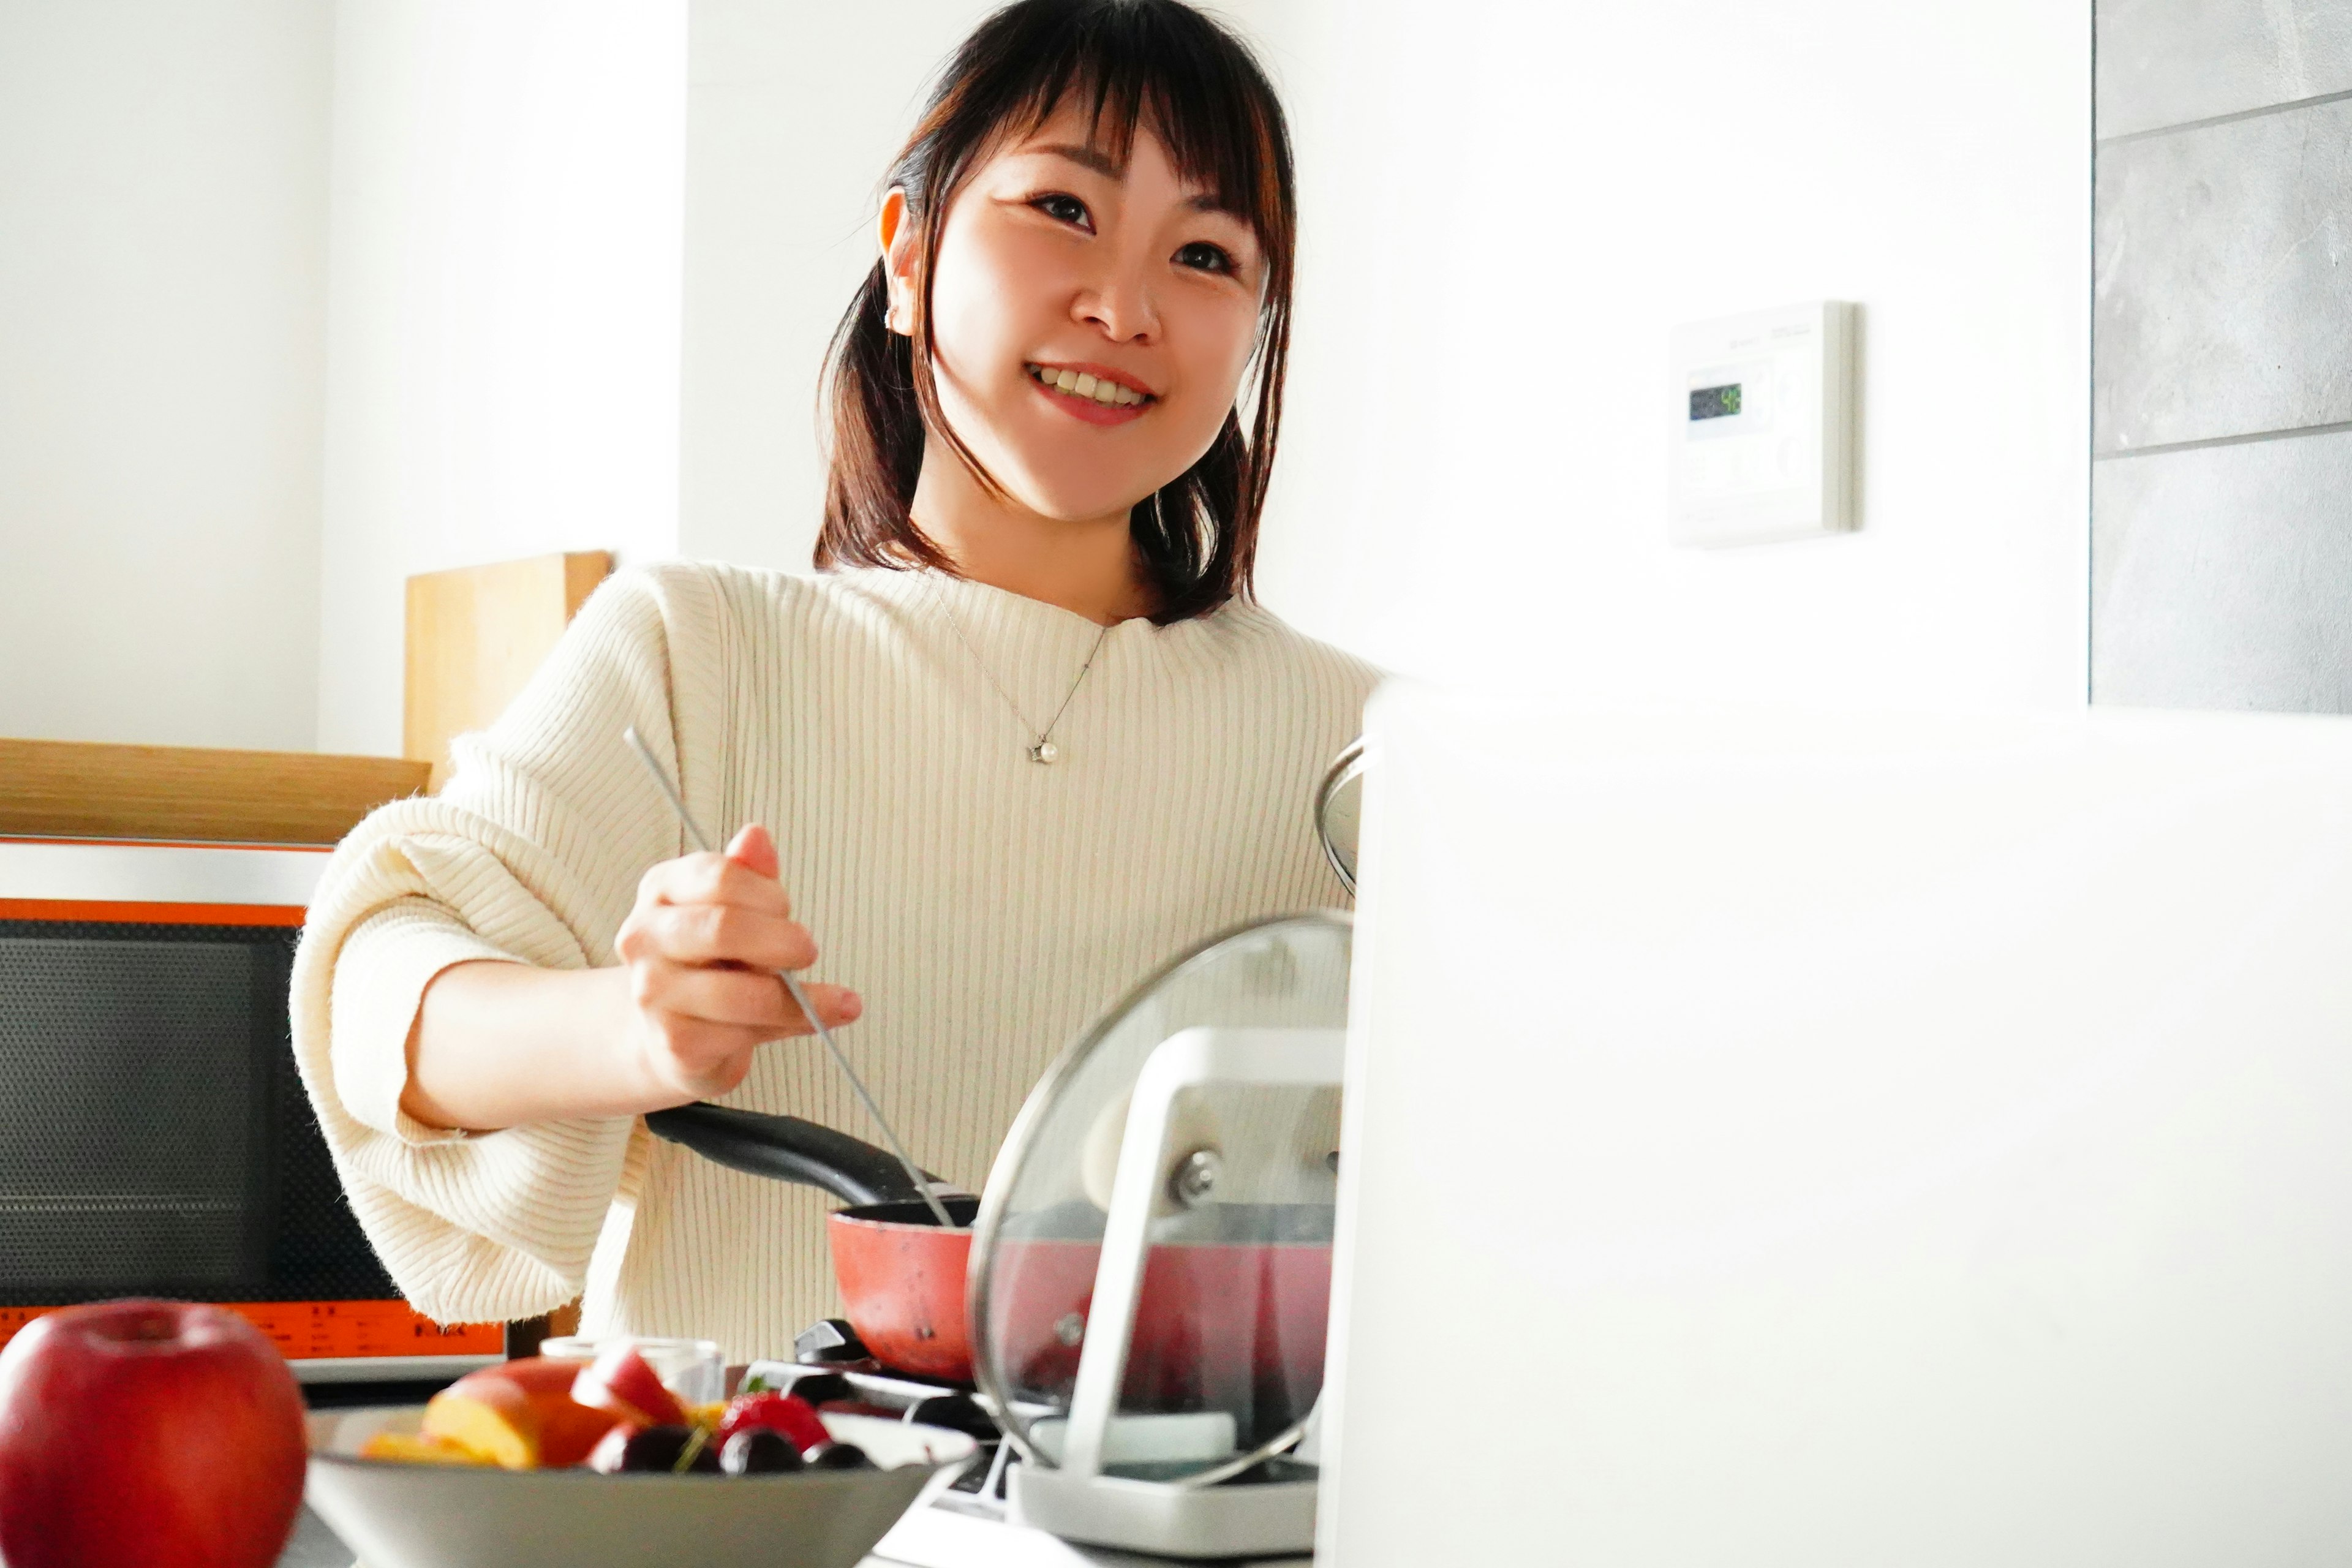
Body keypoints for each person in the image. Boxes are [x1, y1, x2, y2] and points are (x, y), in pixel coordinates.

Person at [291, 0, 1376, 1358]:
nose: (1125, 306)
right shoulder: (700, 647)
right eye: (1064, 209)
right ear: (908, 259)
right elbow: (380, 986)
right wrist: (630, 1028)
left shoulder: (1366, 748)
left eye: (1206, 254)